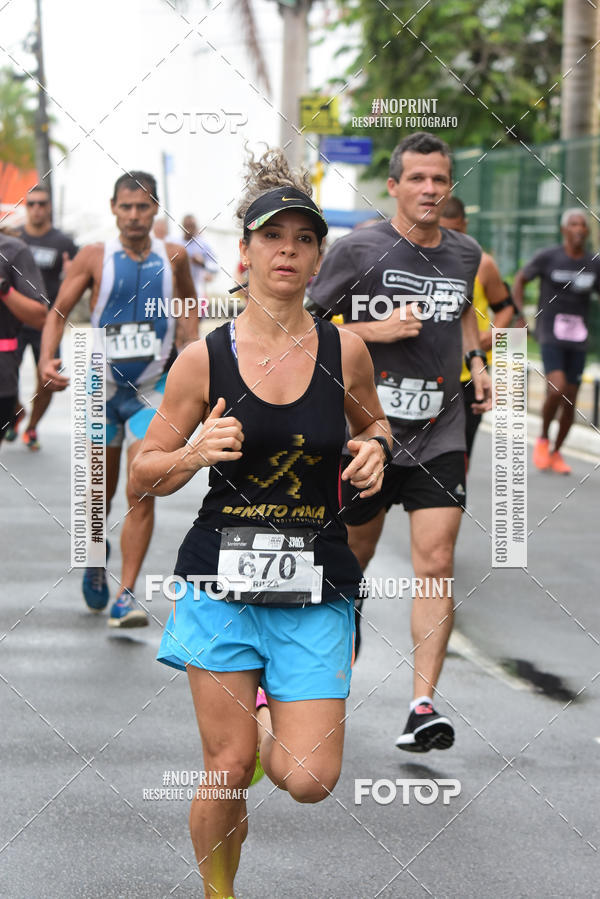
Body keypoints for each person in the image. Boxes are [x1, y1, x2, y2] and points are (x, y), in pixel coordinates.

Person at [130, 148, 390, 899]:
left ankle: (269, 720)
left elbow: (377, 429)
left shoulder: (347, 350)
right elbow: (143, 473)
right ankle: (219, 893)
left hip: (316, 583)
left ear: (318, 258)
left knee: (309, 778)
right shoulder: (201, 360)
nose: (288, 249)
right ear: (243, 252)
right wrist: (191, 450)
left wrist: (373, 449)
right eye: (272, 236)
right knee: (223, 765)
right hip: (221, 580)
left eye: (304, 239)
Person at [308, 132, 492, 753]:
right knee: (351, 565)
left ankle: (421, 706)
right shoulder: (359, 249)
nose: (430, 190)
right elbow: (304, 326)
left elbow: (465, 309)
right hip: (367, 437)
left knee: (435, 566)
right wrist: (375, 327)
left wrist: (477, 361)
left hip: (441, 434)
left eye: (440, 179)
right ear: (393, 186)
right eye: (418, 179)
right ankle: (324, 686)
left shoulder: (465, 253)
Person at [39, 171, 197, 626]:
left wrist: (188, 349)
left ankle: (127, 594)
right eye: (126, 207)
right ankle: (94, 555)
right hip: (97, 385)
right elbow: (59, 311)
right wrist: (49, 359)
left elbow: (188, 306)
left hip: (150, 387)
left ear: (155, 209)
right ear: (113, 209)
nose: (134, 215)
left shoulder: (174, 257)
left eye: (143, 206)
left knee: (140, 488)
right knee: (97, 497)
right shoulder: (93, 256)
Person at [513, 209, 600, 475]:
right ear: (564, 230)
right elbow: (520, 280)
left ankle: (557, 452)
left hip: (578, 339)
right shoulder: (548, 257)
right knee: (557, 388)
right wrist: (520, 313)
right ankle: (542, 438)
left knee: (571, 401)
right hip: (550, 334)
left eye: (582, 225)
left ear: (586, 232)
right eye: (573, 224)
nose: (578, 229)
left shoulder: (593, 262)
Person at [440, 196, 516, 458]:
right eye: (444, 232)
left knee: (459, 455)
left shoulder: (482, 264)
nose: (451, 240)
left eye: (457, 232)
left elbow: (508, 309)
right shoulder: (419, 261)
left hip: (469, 375)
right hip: (429, 374)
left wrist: (491, 336)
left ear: (466, 225)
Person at [5, 185, 78, 449]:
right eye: (31, 203)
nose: (36, 208)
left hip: (47, 323)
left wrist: (71, 275)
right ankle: (14, 413)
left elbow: (83, 279)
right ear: (26, 207)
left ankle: (32, 427)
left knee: (46, 379)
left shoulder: (63, 243)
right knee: (5, 376)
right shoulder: (15, 238)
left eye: (42, 204)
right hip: (14, 322)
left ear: (49, 207)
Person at [0, 230, 47, 447]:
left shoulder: (14, 251)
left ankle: (29, 424)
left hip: (4, 367)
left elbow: (39, 316)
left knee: (45, 380)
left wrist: (3, 288)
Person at [174, 214, 219, 299]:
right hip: (177, 292)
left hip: (197, 292)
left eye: (192, 226)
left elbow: (215, 268)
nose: (189, 229)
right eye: (186, 226)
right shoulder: (174, 242)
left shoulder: (203, 245)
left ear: (196, 227)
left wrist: (202, 263)